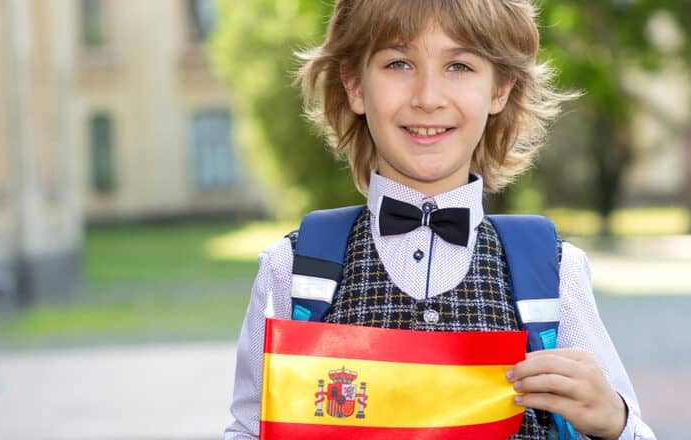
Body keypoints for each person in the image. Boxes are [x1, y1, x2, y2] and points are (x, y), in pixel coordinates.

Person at [225, 0, 655, 438]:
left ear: (500, 89)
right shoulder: (292, 269)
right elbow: (247, 428)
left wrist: (613, 422)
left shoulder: (554, 272)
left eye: (459, 66)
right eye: (398, 63)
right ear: (355, 85)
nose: (428, 98)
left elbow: (633, 430)